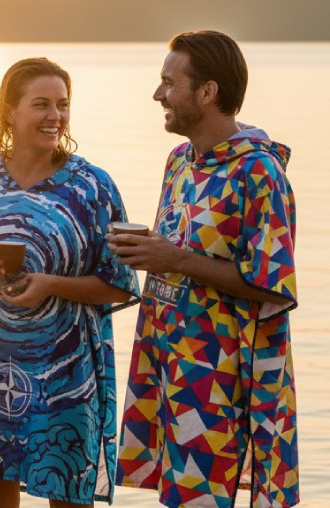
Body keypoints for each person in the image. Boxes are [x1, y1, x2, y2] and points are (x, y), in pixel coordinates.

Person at [0, 57, 139, 508]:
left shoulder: (92, 188)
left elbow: (118, 284)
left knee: (69, 499)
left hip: (67, 377)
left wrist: (52, 284)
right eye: (41, 104)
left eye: (62, 104)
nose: (54, 116)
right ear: (9, 112)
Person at [113, 30, 298, 508]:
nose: (158, 95)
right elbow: (174, 254)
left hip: (221, 381)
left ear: (208, 92)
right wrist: (145, 253)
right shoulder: (179, 162)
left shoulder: (258, 172)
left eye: (168, 83)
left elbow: (273, 286)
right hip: (166, 371)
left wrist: (173, 259)